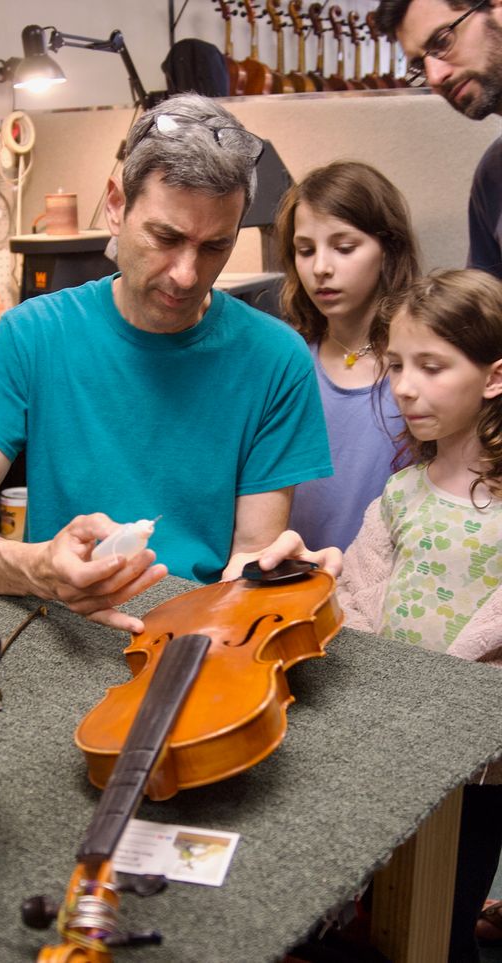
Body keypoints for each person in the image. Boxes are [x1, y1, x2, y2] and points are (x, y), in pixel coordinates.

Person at [0, 93, 333, 633]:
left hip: (199, 635)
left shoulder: (276, 360)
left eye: (214, 247)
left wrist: (280, 580)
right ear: (115, 205)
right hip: (61, 627)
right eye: (166, 237)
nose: (185, 274)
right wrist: (38, 568)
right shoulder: (31, 336)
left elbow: (249, 559)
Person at [282, 269, 502, 963]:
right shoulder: (402, 492)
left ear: (495, 378)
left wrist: (450, 685)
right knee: (385, 908)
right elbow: (361, 598)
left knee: (445, 914)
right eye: (399, 364)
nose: (405, 386)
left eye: (432, 366)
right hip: (394, 738)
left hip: (480, 758)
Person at [275, 160, 419, 551]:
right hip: (297, 591)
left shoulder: (420, 373)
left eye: (344, 247)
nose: (321, 268)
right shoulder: (287, 364)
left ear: (388, 248)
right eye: (305, 251)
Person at [374, 0, 502, 279]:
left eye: (442, 41)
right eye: (420, 65)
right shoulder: (492, 174)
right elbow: (486, 315)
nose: (435, 76)